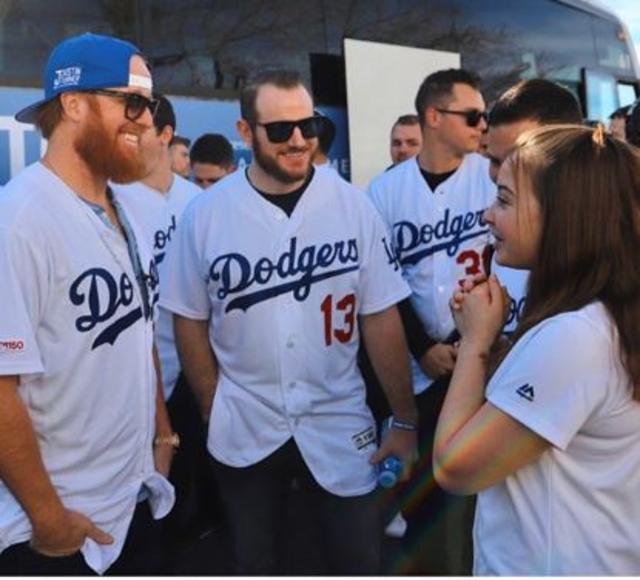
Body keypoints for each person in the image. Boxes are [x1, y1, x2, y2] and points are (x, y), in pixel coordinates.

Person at [160, 68, 418, 575]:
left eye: (309, 125)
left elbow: (381, 317)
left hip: (340, 420)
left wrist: (404, 418)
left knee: (357, 560)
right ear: (245, 133)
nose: (299, 139)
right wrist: (214, 405)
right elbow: (188, 320)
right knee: (255, 562)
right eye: (279, 130)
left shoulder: (353, 206)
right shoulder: (205, 214)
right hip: (246, 423)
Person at [0, 33, 175, 575]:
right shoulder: (18, 220)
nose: (145, 119)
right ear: (73, 104)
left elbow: (138, 332)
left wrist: (162, 433)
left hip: (132, 499)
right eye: (132, 102)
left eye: (148, 105)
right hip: (54, 528)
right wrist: (49, 518)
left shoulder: (123, 209)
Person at [434, 124, 640, 575]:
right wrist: (500, 349)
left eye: (504, 199)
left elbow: (455, 468)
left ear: (563, 215)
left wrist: (474, 344)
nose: (487, 215)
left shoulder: (576, 335)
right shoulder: (603, 317)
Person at [367, 68, 493, 575]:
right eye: (472, 115)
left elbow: (504, 267)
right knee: (417, 494)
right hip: (413, 364)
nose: (481, 125)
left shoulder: (490, 177)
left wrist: (467, 340)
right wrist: (422, 346)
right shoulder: (384, 191)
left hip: (478, 356)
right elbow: (383, 284)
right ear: (434, 117)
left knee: (473, 494)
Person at [110, 95, 215, 561]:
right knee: (154, 495)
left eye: (142, 129)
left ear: (166, 135)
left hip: (198, 364)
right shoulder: (113, 199)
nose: (130, 139)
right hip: (142, 373)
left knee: (199, 478)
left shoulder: (199, 202)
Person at [486, 78, 583, 332]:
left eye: (513, 159)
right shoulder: (502, 243)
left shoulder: (606, 267)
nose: (499, 173)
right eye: (493, 160)